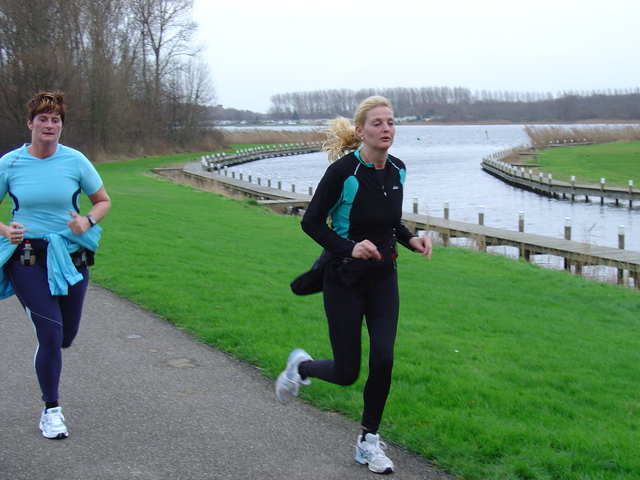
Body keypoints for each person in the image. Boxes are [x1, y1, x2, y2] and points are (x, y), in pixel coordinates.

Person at [275, 95, 432, 474]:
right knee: (347, 373)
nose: (386, 130)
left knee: (384, 358)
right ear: (360, 131)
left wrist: (410, 239)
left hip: (383, 277)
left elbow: (389, 220)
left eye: (391, 123)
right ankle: (302, 368)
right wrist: (349, 248)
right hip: (343, 280)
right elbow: (311, 222)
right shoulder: (343, 173)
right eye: (378, 124)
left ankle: (368, 441)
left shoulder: (398, 170)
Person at [0, 91, 111, 439]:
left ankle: (51, 350)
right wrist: (5, 229)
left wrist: (87, 222)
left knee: (65, 335)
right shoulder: (10, 163)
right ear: (30, 124)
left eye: (56, 120)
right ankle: (51, 410)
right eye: (43, 119)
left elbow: (103, 201)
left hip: (71, 258)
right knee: (49, 333)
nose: (50, 125)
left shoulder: (76, 160)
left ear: (61, 126)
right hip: (28, 257)